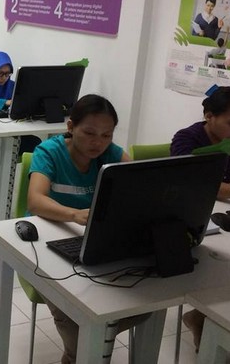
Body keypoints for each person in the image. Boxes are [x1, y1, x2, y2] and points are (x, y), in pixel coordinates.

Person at [27, 94, 145, 364]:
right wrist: (75, 214)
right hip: (46, 242)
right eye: (89, 133)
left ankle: (92, 340)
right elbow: (35, 200)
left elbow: (142, 185)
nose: (98, 142)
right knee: (72, 318)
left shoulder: (111, 153)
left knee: (143, 304)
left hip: (94, 240)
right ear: (71, 127)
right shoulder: (50, 152)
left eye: (106, 135)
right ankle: (79, 353)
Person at [171, 86, 230, 351]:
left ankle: (206, 317)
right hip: (191, 212)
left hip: (224, 210)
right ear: (209, 116)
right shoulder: (187, 139)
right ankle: (202, 316)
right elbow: (200, 184)